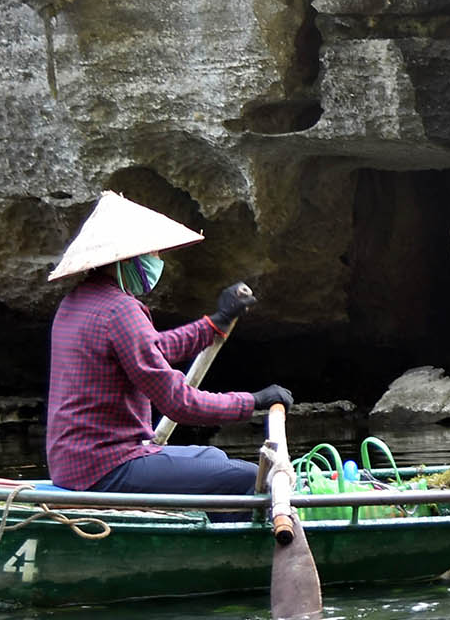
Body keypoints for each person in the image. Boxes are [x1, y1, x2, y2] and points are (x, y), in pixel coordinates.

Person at [44, 190, 293, 496]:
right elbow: (178, 403)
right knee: (248, 477)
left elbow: (152, 349)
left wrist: (216, 322)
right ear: (128, 258)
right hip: (106, 467)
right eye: (153, 254)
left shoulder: (76, 302)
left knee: (214, 458)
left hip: (75, 465)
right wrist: (253, 401)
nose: (157, 260)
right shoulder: (120, 310)